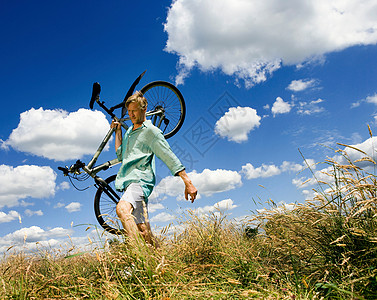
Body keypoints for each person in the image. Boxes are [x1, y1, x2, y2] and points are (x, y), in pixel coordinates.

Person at [110, 91, 197, 247]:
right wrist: (118, 132)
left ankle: (139, 260)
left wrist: (187, 182)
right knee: (144, 232)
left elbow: (168, 155)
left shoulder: (151, 131)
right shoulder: (130, 132)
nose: (131, 115)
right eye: (129, 111)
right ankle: (162, 262)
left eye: (134, 110)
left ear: (144, 109)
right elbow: (121, 154)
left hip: (140, 180)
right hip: (129, 182)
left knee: (122, 208)